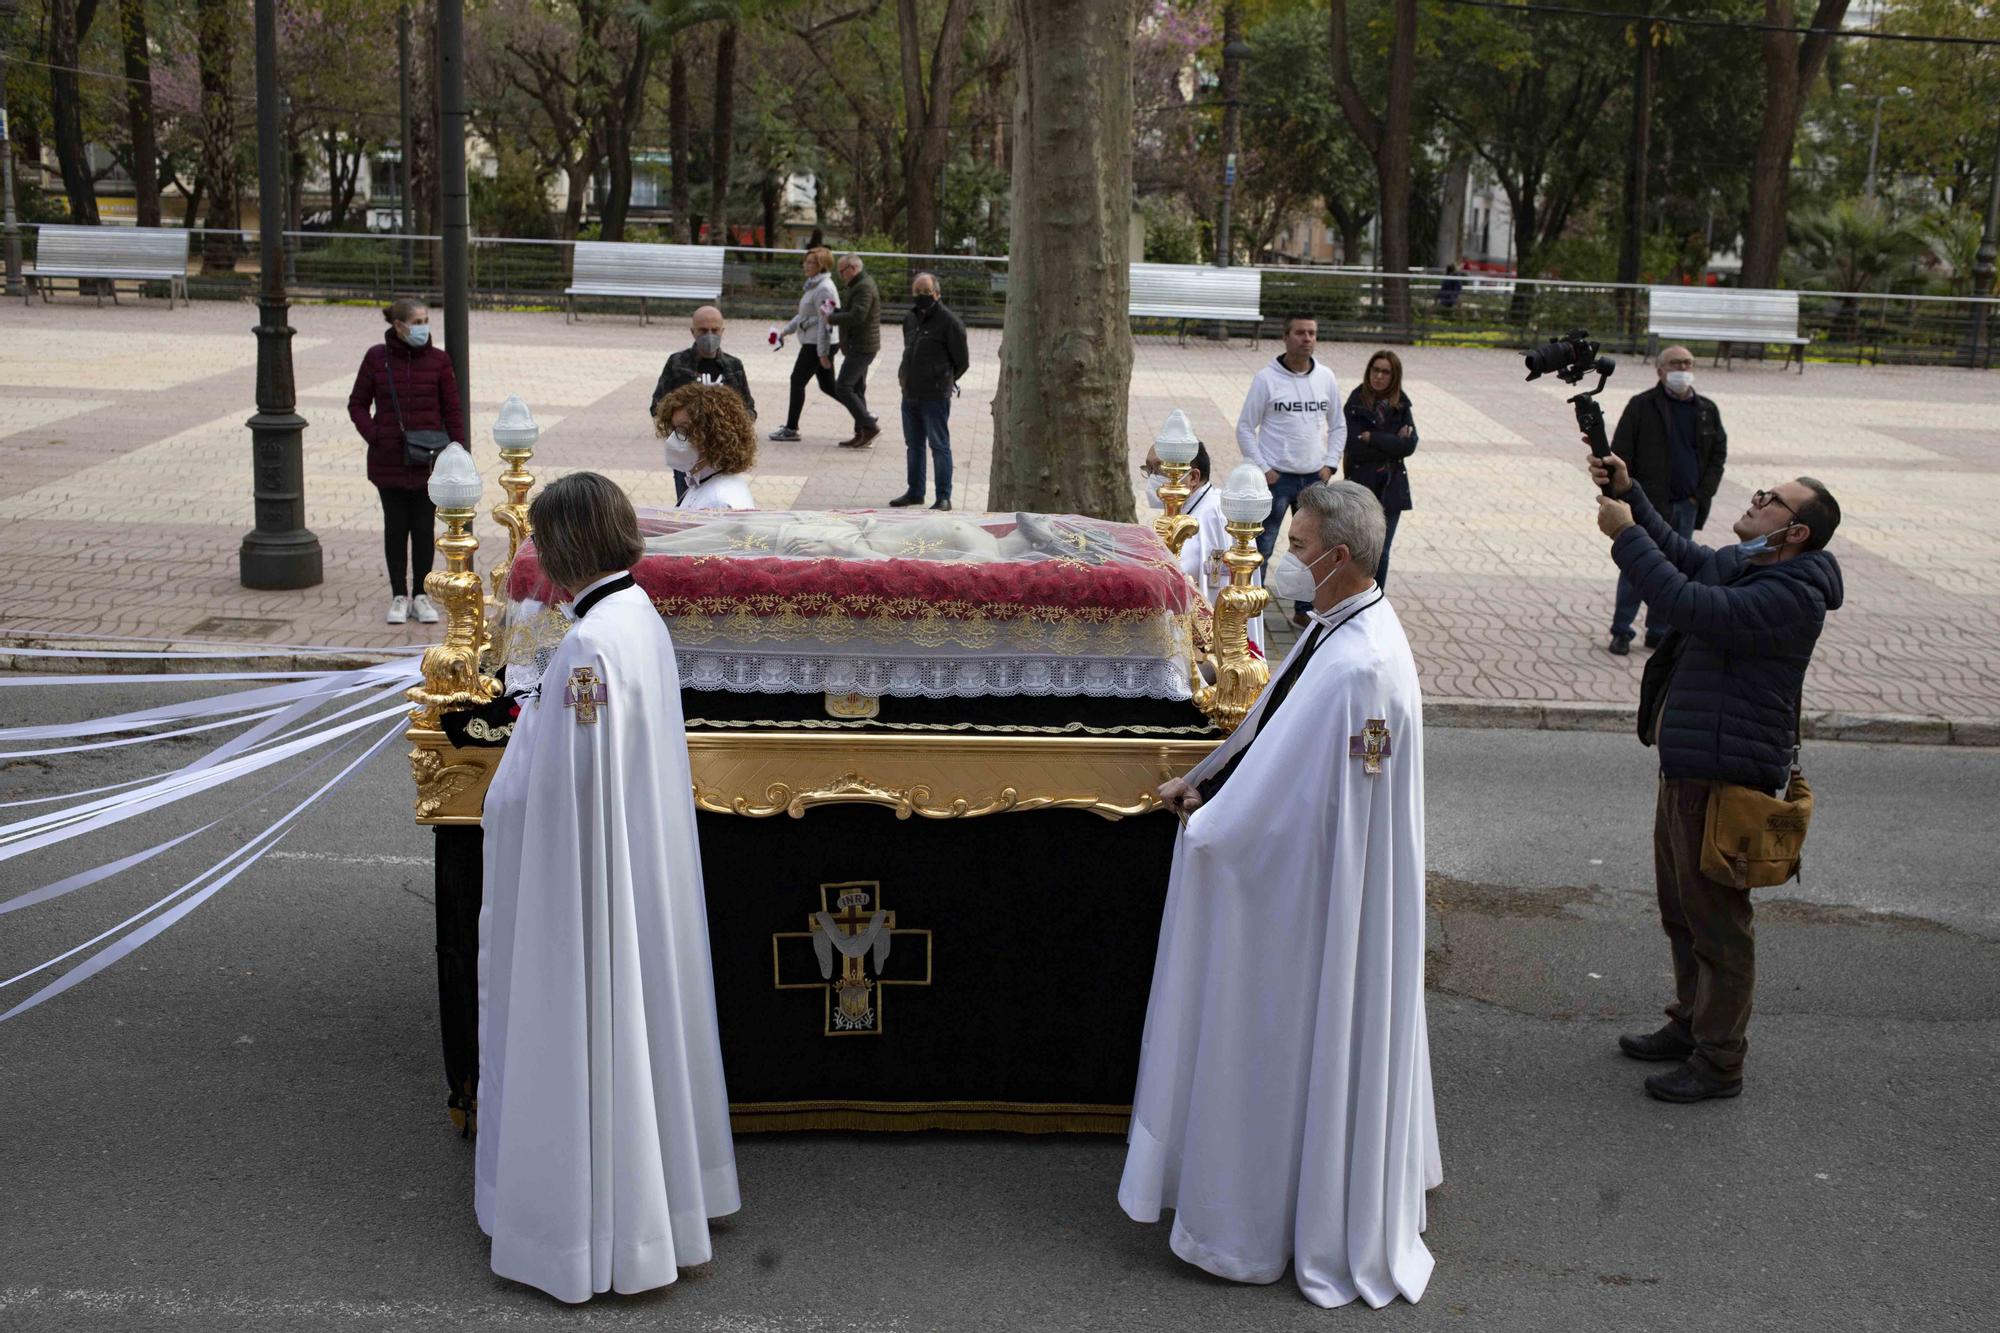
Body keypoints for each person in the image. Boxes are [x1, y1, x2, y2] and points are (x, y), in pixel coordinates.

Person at [1122, 481, 1441, 1310]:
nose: (1283, 563)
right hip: (1317, 888)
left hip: (1313, 905)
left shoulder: (1363, 668)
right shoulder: (1339, 627)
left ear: (1340, 558)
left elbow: (1305, 806)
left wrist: (1209, 831)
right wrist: (1202, 779)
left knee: (1278, 1042)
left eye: (1296, 547)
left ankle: (1258, 1220)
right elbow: (1269, 722)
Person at [476, 471, 739, 1302]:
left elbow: (571, 793)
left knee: (598, 1033)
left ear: (562, 548)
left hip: (591, 887)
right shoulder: (638, 616)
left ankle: (594, 1234)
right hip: (637, 861)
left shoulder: (589, 646)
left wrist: (506, 792)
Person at [1588, 450, 1843, 1103]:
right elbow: (1686, 558)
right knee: (1683, 910)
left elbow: (1685, 601)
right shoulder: (1751, 561)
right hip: (1691, 764)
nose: (1756, 498)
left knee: (1719, 926)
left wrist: (1624, 533)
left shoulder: (1792, 593)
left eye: (1772, 499)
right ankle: (1690, 1023)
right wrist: (1632, 491)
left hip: (1727, 775)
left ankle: (1720, 1060)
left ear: (1796, 532)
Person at [347, 295, 464, 625]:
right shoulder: (376, 358)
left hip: (429, 461)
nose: (423, 328)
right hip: (390, 461)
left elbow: (452, 410)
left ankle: (422, 595)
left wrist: (458, 452)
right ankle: (399, 595)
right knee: (395, 529)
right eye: (417, 322)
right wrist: (377, 435)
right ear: (398, 326)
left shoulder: (439, 361)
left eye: (426, 321)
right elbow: (357, 404)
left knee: (424, 529)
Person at [1606, 345, 1728, 654]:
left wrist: (1699, 496)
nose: (1683, 368)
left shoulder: (1706, 409)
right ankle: (1622, 628)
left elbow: (1717, 455)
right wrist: (1627, 493)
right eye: (1676, 363)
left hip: (1686, 505)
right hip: (1647, 504)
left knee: (1673, 568)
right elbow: (1620, 452)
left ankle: (1658, 630)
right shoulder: (1642, 406)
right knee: (1637, 562)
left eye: (1688, 362)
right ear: (1661, 370)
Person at [1235, 313, 1344, 624]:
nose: (1307, 338)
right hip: (1276, 479)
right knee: (1263, 544)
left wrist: (1330, 464)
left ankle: (1306, 610)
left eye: (1312, 333)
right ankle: (1249, 610)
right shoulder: (1266, 379)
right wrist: (1263, 468)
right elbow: (1245, 428)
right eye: (1300, 333)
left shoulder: (1326, 377)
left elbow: (1338, 425)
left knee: (1314, 548)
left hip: (1315, 478)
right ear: (1286, 336)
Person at [1140, 439, 1263, 655]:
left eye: (1158, 469)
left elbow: (1186, 575)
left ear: (1194, 478)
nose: (1152, 478)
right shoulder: (1191, 510)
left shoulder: (1215, 516)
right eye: (1148, 469)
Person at [650, 305, 757, 502]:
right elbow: (657, 405)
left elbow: (749, 409)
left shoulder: (734, 366)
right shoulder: (677, 362)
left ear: (722, 331)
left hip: (719, 453)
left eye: (714, 330)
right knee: (688, 500)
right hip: (688, 451)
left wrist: (728, 427)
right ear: (693, 332)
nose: (709, 335)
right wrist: (682, 430)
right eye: (703, 330)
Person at [887, 271, 969, 512]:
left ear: (937, 293)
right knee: (914, 445)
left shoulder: (949, 322)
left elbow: (962, 361)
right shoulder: (909, 319)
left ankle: (944, 496)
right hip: (910, 392)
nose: (922, 296)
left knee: (939, 446)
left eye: (926, 292)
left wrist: (942, 379)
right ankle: (915, 492)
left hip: (935, 395)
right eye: (917, 292)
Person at [1342, 348, 1418, 591]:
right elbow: (1354, 446)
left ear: (1394, 376)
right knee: (1357, 549)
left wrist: (1372, 437)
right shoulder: (1356, 401)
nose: (1379, 376)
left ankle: (1375, 600)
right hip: (1362, 485)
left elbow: (1409, 445)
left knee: (1381, 552)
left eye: (1386, 372)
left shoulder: (1402, 403)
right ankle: (1351, 596)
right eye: (1375, 370)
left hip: (1391, 487)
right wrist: (1391, 441)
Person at [767, 246, 841, 443]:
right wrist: (785, 331)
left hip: (817, 343)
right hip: (813, 342)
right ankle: (865, 416)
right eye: (805, 262)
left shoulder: (825, 288)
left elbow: (827, 321)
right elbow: (804, 315)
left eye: (811, 262)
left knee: (797, 380)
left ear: (822, 265)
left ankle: (791, 429)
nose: (805, 266)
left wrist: (822, 351)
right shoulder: (813, 285)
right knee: (829, 386)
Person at [654, 381, 758, 510]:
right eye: (674, 430)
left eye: (684, 430)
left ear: (713, 435)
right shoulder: (703, 483)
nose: (673, 439)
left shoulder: (719, 500)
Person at [828, 253, 883, 449]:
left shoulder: (864, 286)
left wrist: (831, 318)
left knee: (843, 387)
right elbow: (852, 311)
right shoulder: (857, 285)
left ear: (853, 268)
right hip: (859, 344)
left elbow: (858, 315)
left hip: (863, 346)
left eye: (841, 272)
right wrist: (835, 313)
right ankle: (862, 433)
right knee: (857, 389)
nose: (840, 276)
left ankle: (869, 426)